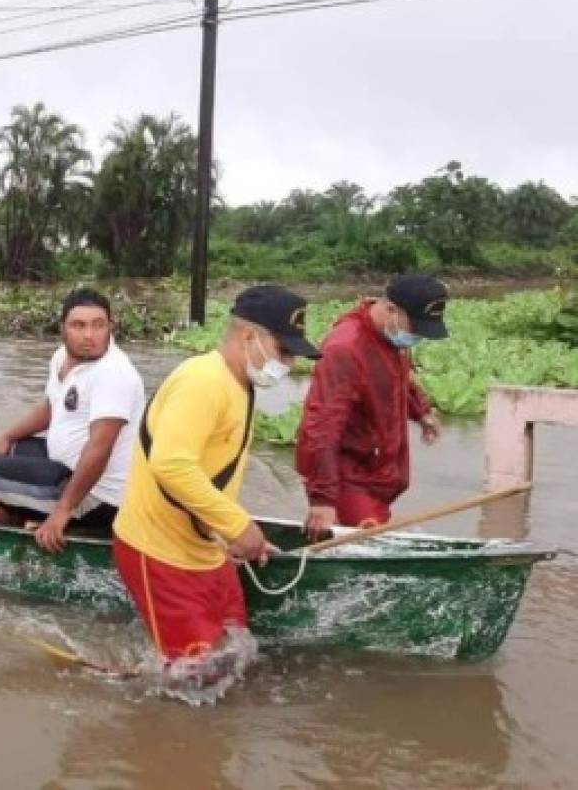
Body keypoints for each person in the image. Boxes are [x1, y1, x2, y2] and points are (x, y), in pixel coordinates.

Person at [114, 285, 321, 665]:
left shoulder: (239, 383)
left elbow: (215, 473)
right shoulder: (204, 380)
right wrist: (239, 526)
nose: (289, 365)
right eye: (284, 351)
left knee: (235, 649)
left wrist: (234, 536)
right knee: (193, 675)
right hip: (160, 552)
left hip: (207, 548)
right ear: (248, 336)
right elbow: (171, 464)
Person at [0, 288, 146, 554]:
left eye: (98, 325)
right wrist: (9, 435)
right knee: (15, 449)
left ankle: (12, 552)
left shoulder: (115, 374)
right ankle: (33, 522)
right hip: (67, 466)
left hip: (100, 494)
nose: (89, 335)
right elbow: (52, 407)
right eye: (79, 325)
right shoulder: (62, 357)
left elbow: (100, 448)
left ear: (111, 327)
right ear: (63, 328)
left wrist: (62, 512)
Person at [297, 274, 448, 536]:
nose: (417, 337)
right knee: (367, 544)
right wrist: (322, 499)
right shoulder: (345, 348)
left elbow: (398, 379)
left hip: (377, 471)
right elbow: (322, 425)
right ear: (391, 310)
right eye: (415, 329)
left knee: (370, 537)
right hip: (350, 477)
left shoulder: (389, 337)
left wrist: (421, 411)